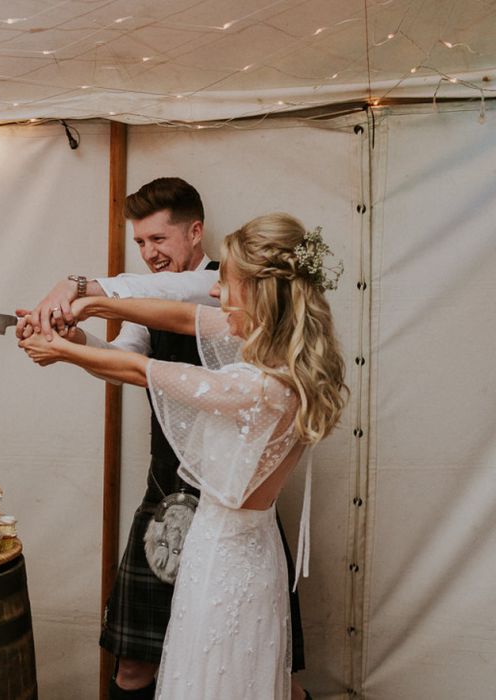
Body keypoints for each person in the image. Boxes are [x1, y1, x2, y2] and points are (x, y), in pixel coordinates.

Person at [20, 213, 346, 699]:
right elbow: (183, 317)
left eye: (226, 284)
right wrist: (94, 304)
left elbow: (142, 369)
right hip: (246, 551)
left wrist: (62, 351)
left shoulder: (263, 384)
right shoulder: (274, 347)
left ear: (259, 292)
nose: (215, 293)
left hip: (225, 557)